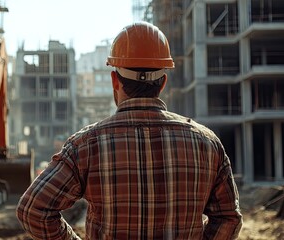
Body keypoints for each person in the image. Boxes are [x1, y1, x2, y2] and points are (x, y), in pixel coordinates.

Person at [16, 21, 242, 239]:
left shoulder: (85, 146)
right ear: (162, 83)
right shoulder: (207, 144)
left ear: (115, 80)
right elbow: (229, 218)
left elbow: (33, 210)